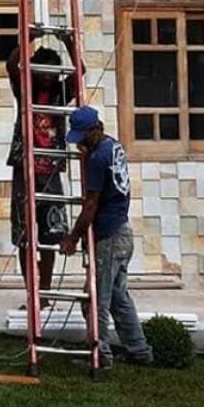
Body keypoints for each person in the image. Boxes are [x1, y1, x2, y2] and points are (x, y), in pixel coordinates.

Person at [61, 105, 153, 370]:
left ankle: (101, 357)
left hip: (111, 237)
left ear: (96, 129)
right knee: (117, 297)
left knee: (95, 301)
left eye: (83, 138)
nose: (80, 144)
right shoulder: (113, 146)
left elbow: (91, 205)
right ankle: (140, 350)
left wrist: (73, 237)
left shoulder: (98, 159)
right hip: (123, 233)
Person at [6, 26, 81, 303]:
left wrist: (69, 43)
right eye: (43, 71)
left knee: (50, 233)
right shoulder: (25, 90)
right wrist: (28, 39)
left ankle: (45, 291)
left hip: (50, 171)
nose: (48, 77)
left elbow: (80, 73)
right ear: (35, 71)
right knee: (25, 234)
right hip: (25, 170)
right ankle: (32, 292)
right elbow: (11, 65)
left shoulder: (60, 95)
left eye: (52, 72)